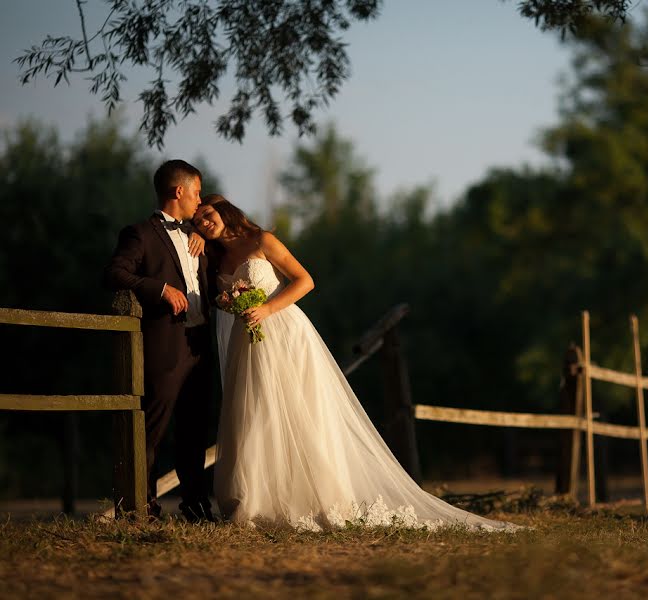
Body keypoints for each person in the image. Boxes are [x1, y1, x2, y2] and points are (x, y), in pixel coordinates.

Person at [194, 194, 520, 531]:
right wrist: (228, 297)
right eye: (198, 222)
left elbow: (305, 280)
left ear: (223, 210)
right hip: (246, 343)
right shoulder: (214, 256)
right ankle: (257, 498)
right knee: (253, 414)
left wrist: (267, 309)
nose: (205, 223)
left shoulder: (262, 240)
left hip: (283, 333)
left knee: (298, 412)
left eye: (207, 215)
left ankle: (312, 497)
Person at [103, 160, 217, 523]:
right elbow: (114, 273)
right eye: (197, 193)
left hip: (199, 345)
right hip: (164, 346)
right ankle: (140, 506)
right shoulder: (140, 234)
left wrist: (202, 234)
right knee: (151, 430)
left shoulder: (195, 233)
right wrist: (160, 289)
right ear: (178, 191)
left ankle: (196, 506)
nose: (200, 201)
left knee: (194, 431)